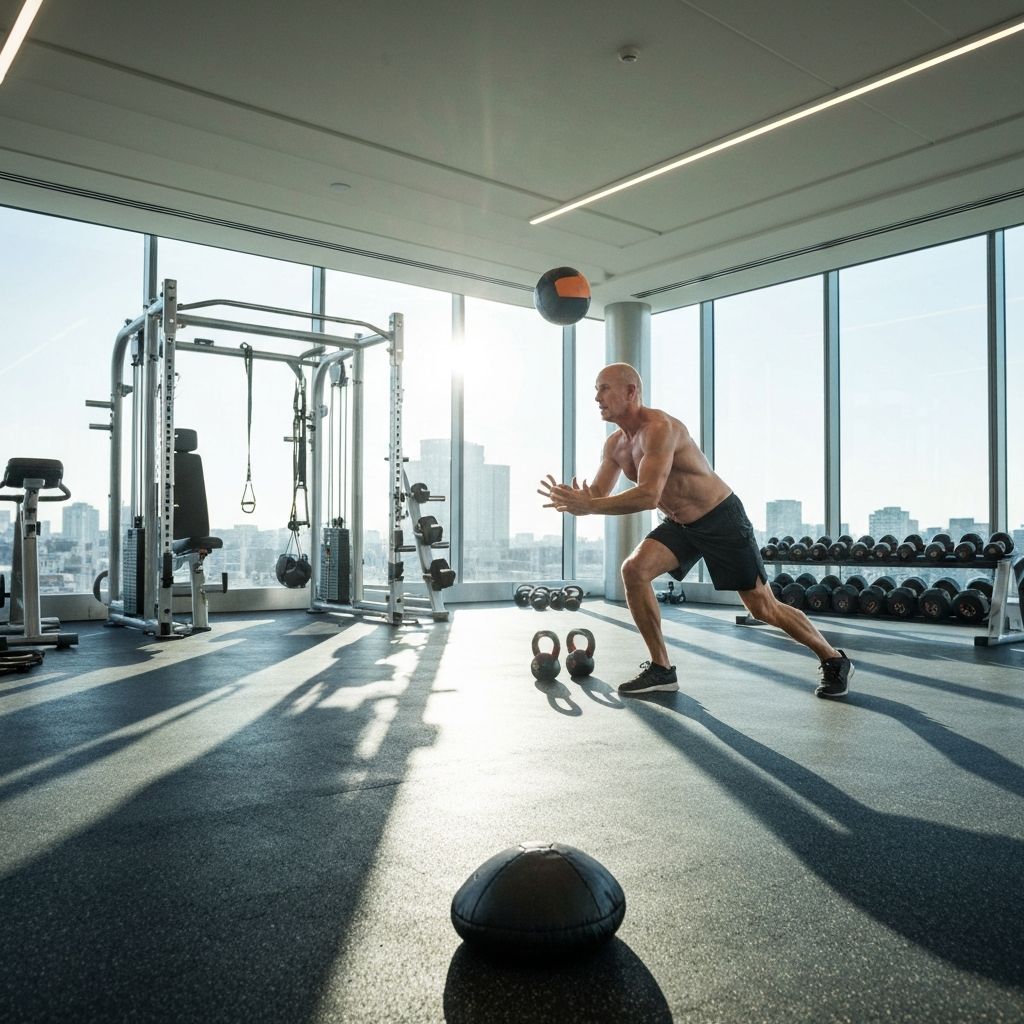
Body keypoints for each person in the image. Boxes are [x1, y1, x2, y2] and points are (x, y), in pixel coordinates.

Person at [539, 363, 853, 699]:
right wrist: (574, 498)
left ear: (631, 392)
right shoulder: (615, 445)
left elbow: (648, 496)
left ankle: (833, 659)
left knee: (763, 608)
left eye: (604, 388)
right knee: (634, 570)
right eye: (596, 389)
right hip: (680, 524)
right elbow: (599, 493)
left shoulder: (661, 428)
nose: (596, 397)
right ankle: (661, 669)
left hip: (720, 517)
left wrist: (591, 505)